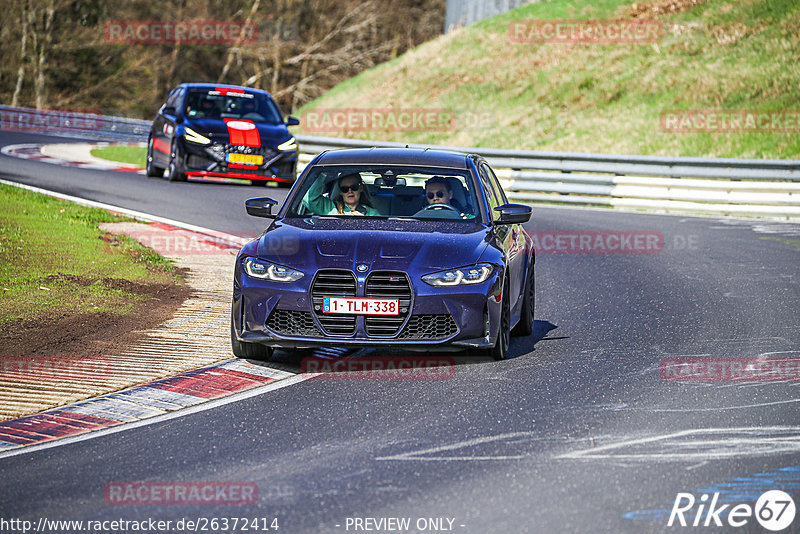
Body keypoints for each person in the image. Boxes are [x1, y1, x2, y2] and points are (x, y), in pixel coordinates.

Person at [303, 172, 381, 216]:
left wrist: (365, 223)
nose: (350, 191)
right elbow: (310, 200)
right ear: (340, 191)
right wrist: (323, 174)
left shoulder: (372, 213)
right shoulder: (330, 208)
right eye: (345, 189)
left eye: (354, 187)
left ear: (360, 188)